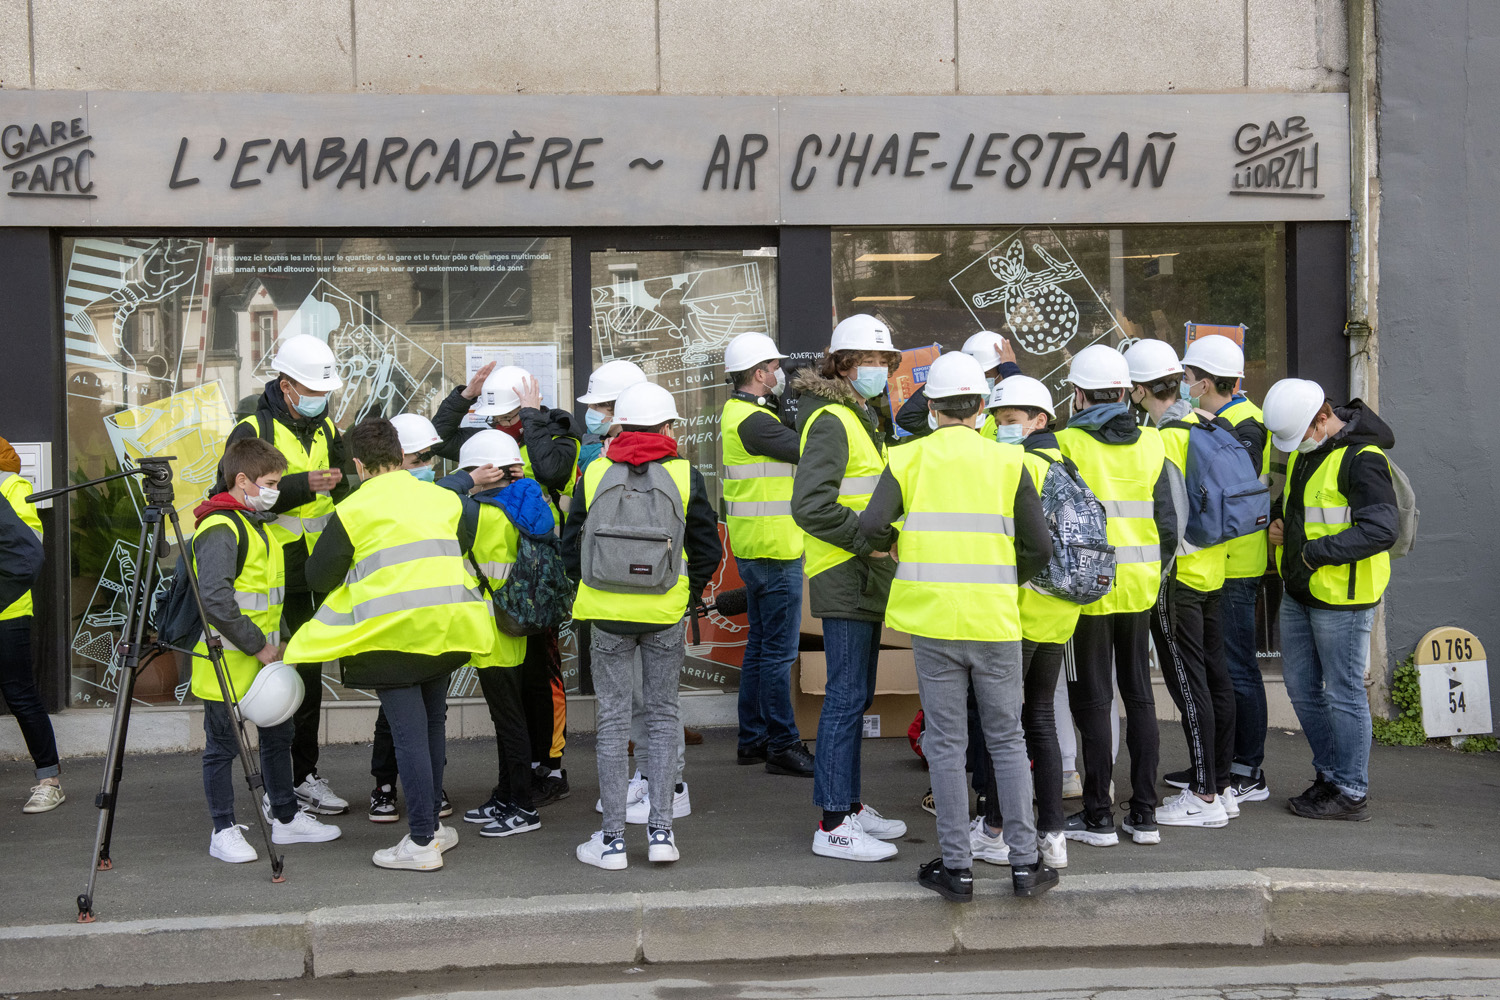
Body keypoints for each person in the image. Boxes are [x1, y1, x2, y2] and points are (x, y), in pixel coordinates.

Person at [861, 353, 1058, 900]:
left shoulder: (907, 459)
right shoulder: (1007, 462)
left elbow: (872, 527)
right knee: (1007, 740)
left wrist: (894, 544)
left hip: (932, 621)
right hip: (994, 619)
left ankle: (957, 867)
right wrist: (1003, 577)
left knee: (947, 744)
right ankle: (1024, 865)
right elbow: (1040, 547)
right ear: (980, 408)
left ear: (932, 408)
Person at [287, 418, 496, 870]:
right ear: (400, 455)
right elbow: (460, 543)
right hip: (446, 627)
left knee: (409, 737)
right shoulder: (445, 498)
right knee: (431, 728)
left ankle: (421, 843)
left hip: (390, 638)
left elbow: (318, 577)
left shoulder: (355, 509)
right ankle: (435, 829)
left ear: (359, 464)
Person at [561, 382, 721, 870]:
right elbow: (708, 548)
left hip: (606, 613)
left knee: (611, 722)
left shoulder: (594, 470)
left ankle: (611, 841)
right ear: (668, 427)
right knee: (662, 714)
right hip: (663, 612)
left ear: (618, 425)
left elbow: (571, 547)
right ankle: (660, 833)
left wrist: (594, 585)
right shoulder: (685, 475)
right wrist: (684, 595)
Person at [214, 333, 355, 817]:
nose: (320, 400)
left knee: (307, 676)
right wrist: (301, 485)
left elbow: (342, 484)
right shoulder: (253, 426)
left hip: (317, 568)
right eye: (312, 391)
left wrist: (344, 484)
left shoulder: (327, 426)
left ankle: (301, 775)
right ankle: (279, 788)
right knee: (276, 679)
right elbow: (229, 489)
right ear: (286, 385)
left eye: (324, 392)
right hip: (271, 571)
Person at [432, 363, 580, 805]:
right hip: (499, 579)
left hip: (541, 576)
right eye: (494, 419)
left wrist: (532, 420)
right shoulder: (490, 437)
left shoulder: (555, 435)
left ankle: (550, 765)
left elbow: (552, 472)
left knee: (545, 677)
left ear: (524, 409)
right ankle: (523, 766)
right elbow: (440, 440)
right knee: (517, 683)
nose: (499, 426)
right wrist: (463, 399)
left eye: (506, 418)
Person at [192, 438, 341, 863]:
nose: (277, 490)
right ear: (243, 480)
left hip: (263, 659)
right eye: (271, 482)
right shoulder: (221, 527)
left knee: (279, 737)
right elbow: (216, 599)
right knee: (222, 747)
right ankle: (223, 830)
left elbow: (267, 596)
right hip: (229, 659)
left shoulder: (253, 522)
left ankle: (286, 818)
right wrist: (259, 646)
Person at [791, 313, 907, 862]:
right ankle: (834, 823)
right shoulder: (835, 420)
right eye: (870, 360)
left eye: (885, 361)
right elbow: (810, 507)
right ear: (842, 364)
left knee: (852, 696)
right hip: (848, 572)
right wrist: (869, 542)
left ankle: (850, 805)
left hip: (860, 573)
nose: (879, 370)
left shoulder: (858, 416)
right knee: (843, 699)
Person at [1054, 343, 1177, 849]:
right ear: (1127, 393)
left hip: (1089, 590)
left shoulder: (1064, 443)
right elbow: (1168, 524)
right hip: (1141, 584)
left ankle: (1099, 815)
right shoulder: (1153, 444)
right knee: (1140, 697)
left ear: (1078, 395)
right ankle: (1144, 813)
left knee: (1092, 700)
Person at [1263, 379, 1398, 822]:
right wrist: (1281, 521)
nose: (1296, 444)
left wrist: (1312, 552)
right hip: (1302, 589)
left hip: (1343, 598)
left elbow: (1381, 530)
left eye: (1300, 433)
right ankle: (1332, 776)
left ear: (1323, 417)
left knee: (1343, 694)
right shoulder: (1310, 454)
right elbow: (1295, 506)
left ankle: (1351, 790)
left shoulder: (1363, 459)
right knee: (1303, 690)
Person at [967, 375, 1078, 871]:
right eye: (997, 420)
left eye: (1011, 421)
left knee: (1002, 727)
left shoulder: (1016, 465)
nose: (1002, 428)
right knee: (1041, 722)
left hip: (1020, 611)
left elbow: (1019, 544)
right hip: (1061, 612)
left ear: (1039, 420)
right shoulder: (1067, 463)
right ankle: (1053, 836)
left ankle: (994, 830)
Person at [1125, 339, 1235, 830]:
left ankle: (1204, 795)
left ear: (1140, 389)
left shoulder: (1165, 438)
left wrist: (1157, 575)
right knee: (1214, 679)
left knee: (1188, 688)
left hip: (1178, 578)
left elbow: (1167, 518)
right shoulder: (1206, 425)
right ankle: (1222, 786)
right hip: (1212, 568)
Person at [439, 430, 548, 839]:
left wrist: (467, 483)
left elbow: (433, 501)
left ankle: (522, 806)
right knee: (511, 719)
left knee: (509, 723)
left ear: (482, 472)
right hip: (513, 625)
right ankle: (505, 796)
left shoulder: (475, 512)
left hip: (489, 631)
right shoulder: (526, 502)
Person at [1180, 335, 1273, 803]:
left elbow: (1229, 490)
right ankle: (1216, 762)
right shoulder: (1234, 419)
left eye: (1190, 379)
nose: (1184, 385)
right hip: (1224, 561)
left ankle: (1245, 768)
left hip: (1235, 564)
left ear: (1209, 382)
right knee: (1224, 667)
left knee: (1237, 669)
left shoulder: (1242, 425)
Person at [720, 331, 814, 778]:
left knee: (760, 648)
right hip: (775, 550)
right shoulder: (753, 421)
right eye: (775, 369)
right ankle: (782, 743)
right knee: (778, 654)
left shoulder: (744, 414)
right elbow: (808, 449)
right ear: (759, 373)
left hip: (757, 545)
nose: (780, 374)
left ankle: (752, 739)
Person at [367, 412, 453, 823]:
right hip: (412, 631)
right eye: (416, 459)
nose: (424, 468)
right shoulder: (370, 505)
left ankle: (425, 816)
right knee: (411, 725)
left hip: (417, 631)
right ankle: (399, 793)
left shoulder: (439, 499)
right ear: (395, 458)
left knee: (418, 725)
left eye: (426, 460)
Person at [572, 360, 646, 697]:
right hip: (614, 570)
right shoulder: (593, 453)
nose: (590, 412)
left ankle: (646, 725)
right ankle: (640, 726)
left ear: (620, 408)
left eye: (597, 406)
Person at [0, 438, 58, 814]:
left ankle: (49, 780)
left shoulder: (12, 488)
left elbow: (28, 552)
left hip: (8, 612)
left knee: (21, 695)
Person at [894, 331, 1022, 439]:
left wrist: (1011, 373)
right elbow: (908, 418)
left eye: (985, 375)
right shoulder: (956, 414)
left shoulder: (1010, 416)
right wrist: (945, 376)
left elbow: (1026, 410)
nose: (978, 381)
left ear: (1002, 372)